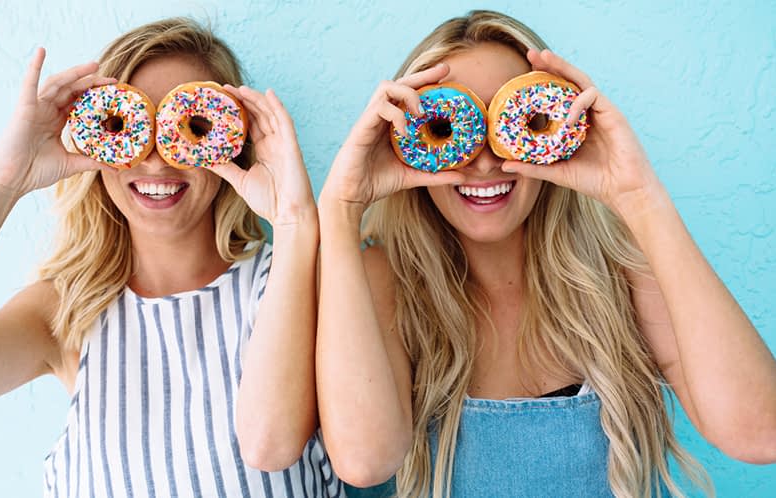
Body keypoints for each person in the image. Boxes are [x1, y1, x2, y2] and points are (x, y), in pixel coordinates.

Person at [316, 9, 776, 498]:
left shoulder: (618, 272)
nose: (486, 162)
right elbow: (364, 461)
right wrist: (341, 210)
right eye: (454, 127)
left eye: (515, 123)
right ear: (404, 138)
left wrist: (641, 197)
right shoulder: (382, 280)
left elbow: (760, 433)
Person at [0, 17, 342, 497]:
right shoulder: (64, 313)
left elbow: (290, 447)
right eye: (127, 127)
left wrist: (295, 222)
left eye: (191, 128)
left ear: (235, 141)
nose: (156, 160)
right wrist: (2, 182)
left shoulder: (300, 282)